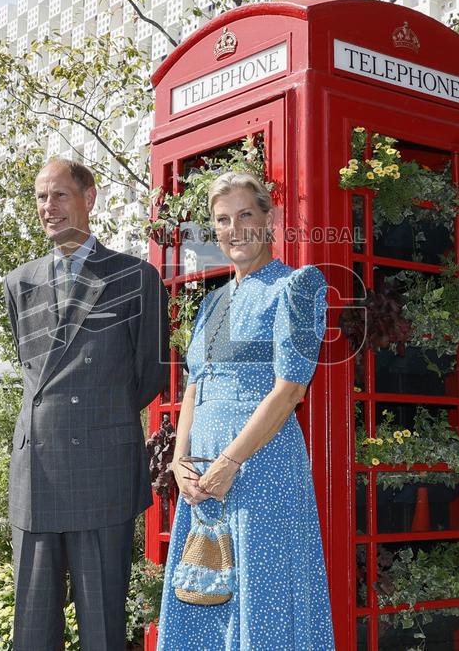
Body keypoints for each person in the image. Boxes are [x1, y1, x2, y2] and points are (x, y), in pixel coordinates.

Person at [157, 171, 334, 649]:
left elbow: (290, 390)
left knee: (264, 596)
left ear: (268, 220)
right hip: (203, 478)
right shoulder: (211, 302)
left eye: (244, 215)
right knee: (205, 597)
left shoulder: (296, 287)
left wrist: (230, 461)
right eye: (222, 220)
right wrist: (180, 461)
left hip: (260, 469)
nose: (233, 229)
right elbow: (194, 387)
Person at [3, 158, 169, 650]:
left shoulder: (135, 277)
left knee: (102, 628)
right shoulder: (19, 283)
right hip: (37, 469)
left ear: (89, 197)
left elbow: (149, 374)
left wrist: (96, 417)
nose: (48, 207)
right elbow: (33, 370)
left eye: (59, 194)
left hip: (102, 466)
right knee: (32, 629)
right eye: (40, 197)